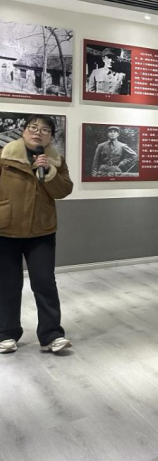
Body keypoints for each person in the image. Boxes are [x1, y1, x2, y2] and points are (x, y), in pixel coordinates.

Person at [0, 115, 74, 355]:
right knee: (7, 284)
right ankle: (6, 334)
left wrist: (49, 171)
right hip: (6, 230)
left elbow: (64, 190)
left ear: (50, 137)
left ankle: (52, 335)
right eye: (33, 127)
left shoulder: (55, 161)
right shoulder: (4, 156)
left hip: (41, 230)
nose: (38, 132)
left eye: (45, 130)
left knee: (45, 283)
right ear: (23, 131)